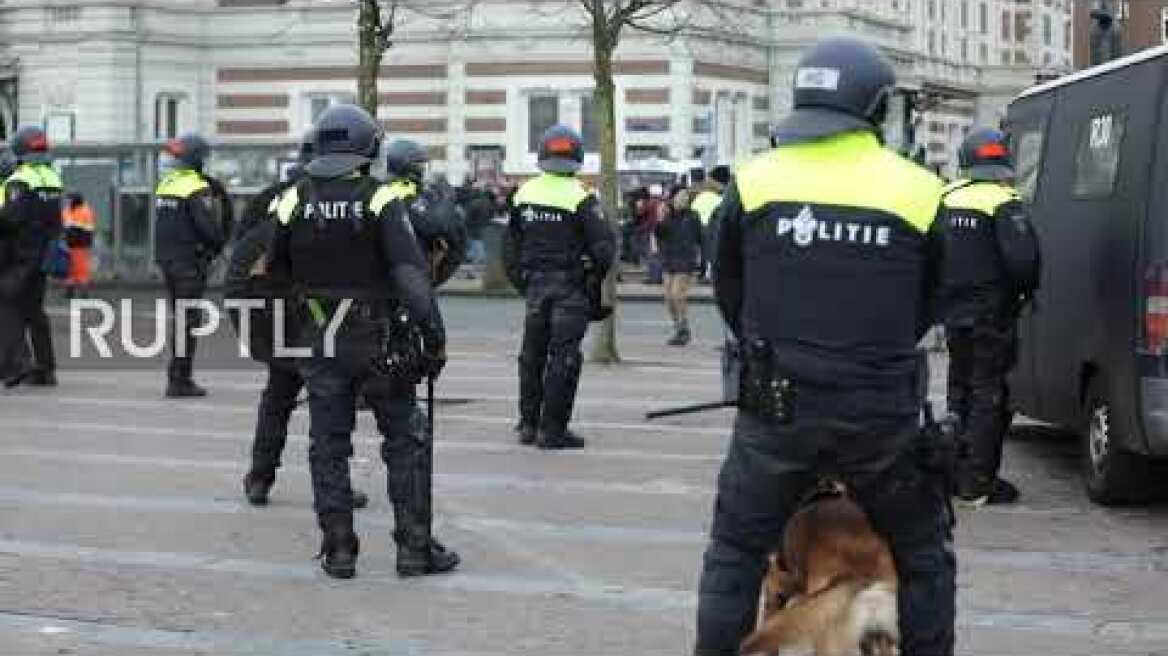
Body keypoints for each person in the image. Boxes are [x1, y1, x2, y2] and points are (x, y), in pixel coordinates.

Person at [694, 38, 955, 656]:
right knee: (923, 555)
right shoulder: (920, 189)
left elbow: (729, 287)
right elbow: (932, 299)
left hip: (775, 407)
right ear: (877, 107)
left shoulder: (753, 179)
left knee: (735, 552)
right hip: (880, 411)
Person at [270, 104, 459, 580]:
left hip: (320, 339)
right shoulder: (379, 199)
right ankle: (414, 549)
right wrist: (434, 337)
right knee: (405, 440)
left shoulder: (292, 199)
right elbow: (410, 274)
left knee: (327, 445)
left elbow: (273, 274)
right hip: (380, 340)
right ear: (369, 148)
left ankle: (339, 551)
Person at [229, 132, 371, 511]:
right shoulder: (327, 199)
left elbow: (241, 250)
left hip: (267, 306)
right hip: (309, 311)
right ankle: (335, 487)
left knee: (278, 393)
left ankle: (260, 477)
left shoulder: (269, 197)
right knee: (330, 399)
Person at [940, 128, 1039, 507]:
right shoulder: (1003, 201)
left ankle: (951, 472)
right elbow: (1024, 262)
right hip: (991, 314)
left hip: (953, 312)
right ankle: (977, 482)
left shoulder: (945, 198)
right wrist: (1024, 293)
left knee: (958, 388)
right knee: (988, 392)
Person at [504, 125, 615, 450]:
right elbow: (604, 249)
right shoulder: (581, 197)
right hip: (570, 286)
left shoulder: (523, 193)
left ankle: (528, 424)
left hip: (535, 284)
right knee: (563, 358)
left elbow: (510, 247)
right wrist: (592, 279)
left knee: (532, 355)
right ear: (576, 159)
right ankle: (552, 430)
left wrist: (522, 282)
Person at [154, 133, 227, 398]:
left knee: (180, 317)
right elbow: (207, 227)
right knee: (188, 321)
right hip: (188, 262)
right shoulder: (195, 187)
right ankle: (180, 379)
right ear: (197, 159)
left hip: (167, 261)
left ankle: (177, 375)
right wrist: (218, 246)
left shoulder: (167, 183)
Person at [0, 126, 63, 388]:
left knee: (6, 304)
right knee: (35, 310)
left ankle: (18, 365)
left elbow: (12, 219)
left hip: (21, 255)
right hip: (44, 254)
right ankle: (46, 369)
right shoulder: (51, 177)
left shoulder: (20, 179)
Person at [655, 186, 704, 346]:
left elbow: (701, 238)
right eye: (681, 196)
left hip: (686, 261)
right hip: (669, 260)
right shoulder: (667, 216)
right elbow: (659, 234)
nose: (684, 199)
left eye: (686, 196)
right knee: (669, 298)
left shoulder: (693, 216)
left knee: (677, 294)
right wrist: (660, 219)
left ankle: (683, 329)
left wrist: (703, 262)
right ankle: (679, 327)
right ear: (673, 198)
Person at [62, 192, 96, 298]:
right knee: (71, 267)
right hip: (72, 242)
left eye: (69, 199)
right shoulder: (69, 210)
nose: (67, 201)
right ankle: (71, 290)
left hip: (79, 243)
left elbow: (83, 227)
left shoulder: (83, 211)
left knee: (79, 267)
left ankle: (82, 291)